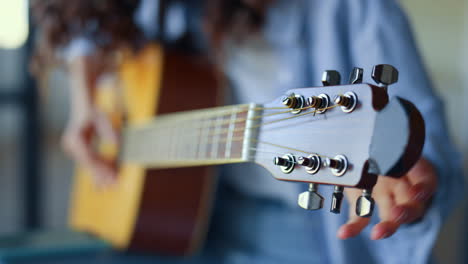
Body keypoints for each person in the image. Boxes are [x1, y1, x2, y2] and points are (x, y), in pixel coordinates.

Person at [32, 0, 464, 263]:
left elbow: (427, 153)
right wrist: (85, 97)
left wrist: (406, 190)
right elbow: (86, 24)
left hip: (293, 228)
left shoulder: (352, 7)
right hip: (160, 227)